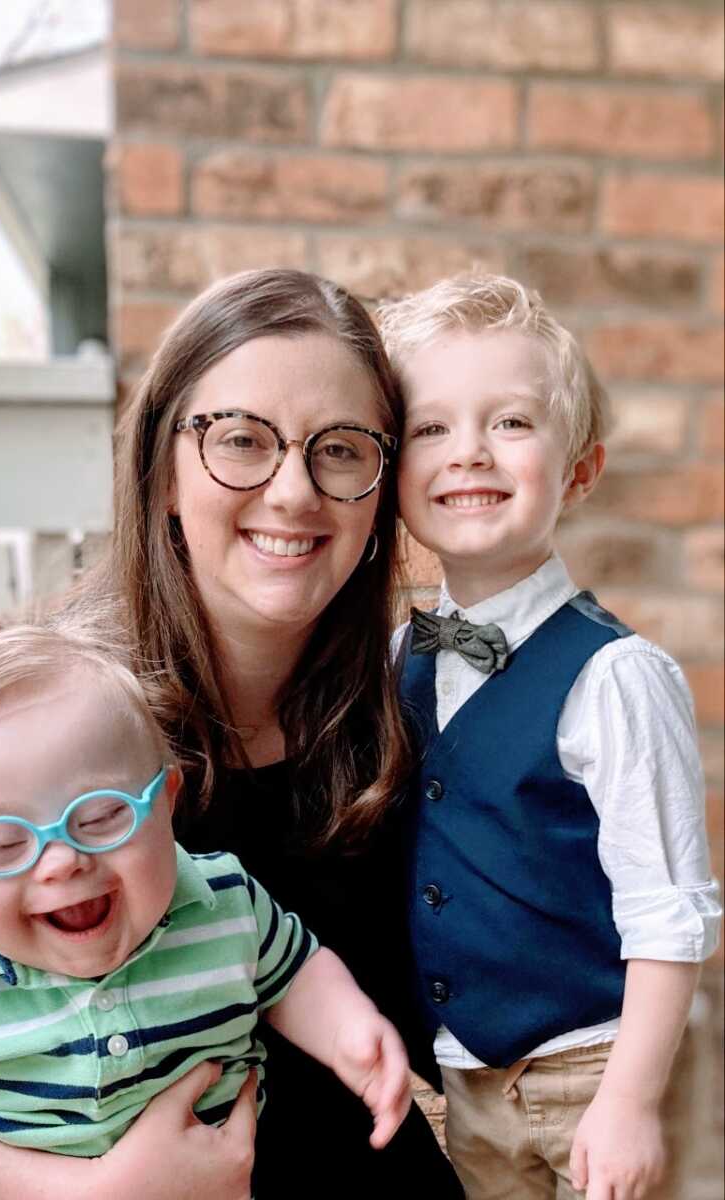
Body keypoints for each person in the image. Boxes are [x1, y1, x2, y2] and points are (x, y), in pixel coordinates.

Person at [0, 268, 463, 1199]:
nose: (293, 490)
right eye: (242, 440)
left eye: (340, 449)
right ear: (163, 469)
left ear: (381, 490)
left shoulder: (407, 731)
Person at [0, 622, 411, 1172]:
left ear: (167, 798)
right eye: (1, 844)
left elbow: (296, 974)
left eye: (103, 816)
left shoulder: (223, 902)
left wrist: (348, 1029)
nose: (61, 862)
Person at [378, 272, 722, 1200]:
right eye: (432, 427)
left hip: (589, 1072)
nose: (470, 454)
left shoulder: (616, 677)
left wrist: (631, 1100)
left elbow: (670, 910)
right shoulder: (397, 658)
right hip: (452, 1079)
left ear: (579, 469)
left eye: (513, 423)